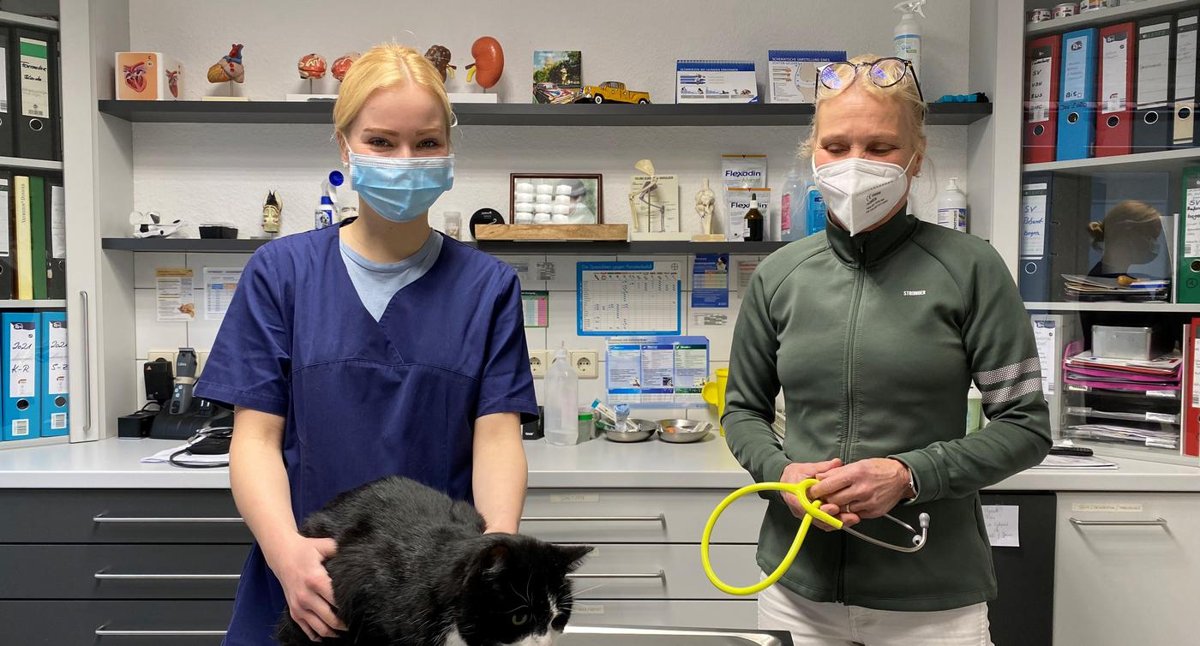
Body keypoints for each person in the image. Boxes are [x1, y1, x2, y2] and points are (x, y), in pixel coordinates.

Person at [194, 44, 537, 645]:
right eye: (382, 142)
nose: (406, 160)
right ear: (345, 146)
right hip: (304, 580)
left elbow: (498, 436)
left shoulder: (489, 288)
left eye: (426, 143)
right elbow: (254, 441)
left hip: (438, 586)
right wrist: (287, 558)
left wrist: (496, 553)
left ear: (449, 147)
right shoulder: (281, 274)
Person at [723, 55, 1051, 646]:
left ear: (916, 157)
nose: (855, 165)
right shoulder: (779, 275)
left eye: (880, 147)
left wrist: (909, 474)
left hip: (931, 598)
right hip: (796, 589)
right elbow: (742, 411)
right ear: (813, 155)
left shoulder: (970, 268)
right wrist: (783, 473)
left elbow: (1026, 426)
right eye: (836, 145)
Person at [1086, 199, 1168, 279]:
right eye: (1151, 236)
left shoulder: (1115, 278)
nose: (1154, 243)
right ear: (1127, 231)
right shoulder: (1102, 283)